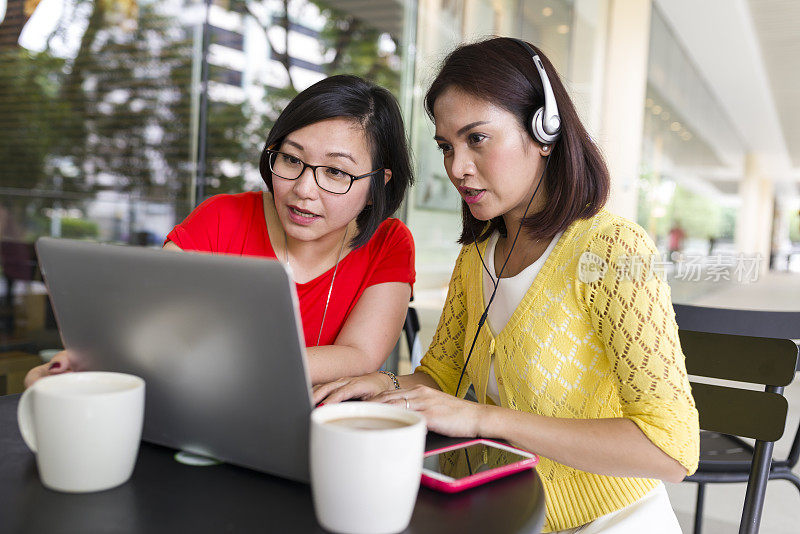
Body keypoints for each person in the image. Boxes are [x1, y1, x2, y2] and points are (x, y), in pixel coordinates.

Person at [314, 38, 699, 533]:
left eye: (477, 139)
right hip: (509, 515)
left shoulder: (614, 250)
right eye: (447, 146)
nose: (456, 168)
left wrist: (482, 420)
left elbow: (671, 449)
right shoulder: (478, 255)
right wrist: (382, 385)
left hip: (610, 521)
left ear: (544, 131)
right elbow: (441, 377)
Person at [25, 74, 415, 388]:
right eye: (292, 159)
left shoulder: (389, 243)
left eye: (335, 172)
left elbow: (360, 353)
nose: (303, 189)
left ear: (376, 185)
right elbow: (143, 317)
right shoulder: (221, 217)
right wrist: (92, 359)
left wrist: (231, 364)